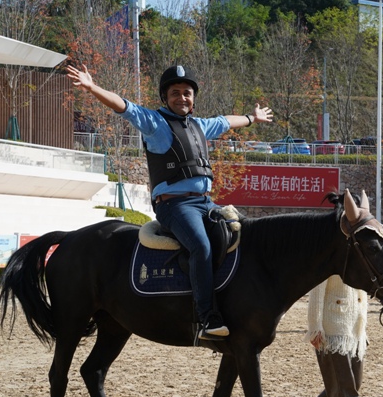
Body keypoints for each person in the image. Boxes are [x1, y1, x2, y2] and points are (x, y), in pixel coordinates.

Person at [66, 63, 273, 340]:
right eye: (175, 93)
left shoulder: (200, 125)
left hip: (205, 203)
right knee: (200, 245)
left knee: (244, 233)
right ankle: (206, 318)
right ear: (165, 98)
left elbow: (226, 120)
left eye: (187, 92)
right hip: (174, 206)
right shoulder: (155, 123)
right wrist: (92, 88)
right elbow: (123, 106)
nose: (182, 98)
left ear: (193, 98)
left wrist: (252, 117)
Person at [290, 275, 377, 397]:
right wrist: (315, 327)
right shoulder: (332, 247)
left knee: (350, 385)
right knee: (344, 387)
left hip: (355, 329)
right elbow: (316, 289)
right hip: (332, 330)